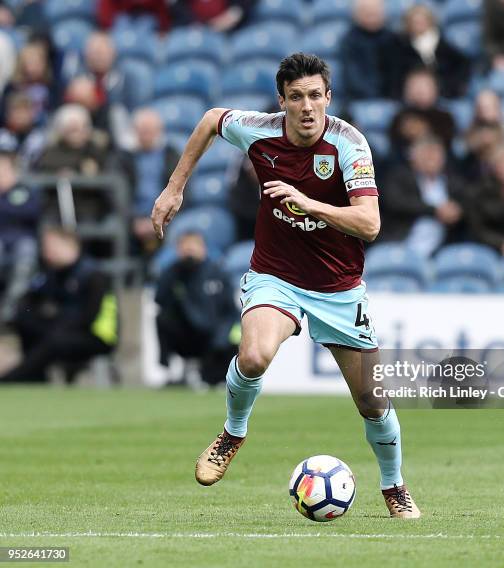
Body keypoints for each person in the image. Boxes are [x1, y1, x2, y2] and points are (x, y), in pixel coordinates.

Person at [151, 53, 420, 519]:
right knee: (253, 355)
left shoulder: (349, 145)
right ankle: (233, 433)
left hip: (339, 288)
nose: (307, 106)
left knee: (372, 401)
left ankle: (394, 487)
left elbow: (370, 224)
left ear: (328, 98)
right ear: (283, 101)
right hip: (276, 277)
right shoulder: (260, 130)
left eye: (316, 95)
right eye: (296, 97)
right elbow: (212, 119)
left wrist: (308, 203)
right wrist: (175, 188)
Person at [0, 227, 118, 383]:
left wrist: (57, 323)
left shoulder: (94, 275)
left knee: (55, 341)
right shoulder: (52, 273)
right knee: (25, 322)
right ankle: (36, 379)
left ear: (69, 246)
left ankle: (10, 380)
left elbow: (89, 317)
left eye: (51, 247)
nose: (46, 252)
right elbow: (29, 300)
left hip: (96, 336)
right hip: (62, 328)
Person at [155, 231, 238, 387]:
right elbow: (159, 299)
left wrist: (221, 338)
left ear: (203, 249)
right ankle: (169, 370)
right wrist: (175, 274)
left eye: (193, 246)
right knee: (162, 318)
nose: (189, 251)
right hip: (187, 333)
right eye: (185, 247)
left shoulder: (217, 274)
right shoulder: (173, 273)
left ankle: (220, 374)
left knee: (214, 379)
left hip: (214, 336)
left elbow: (231, 312)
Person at [381, 136, 465, 255]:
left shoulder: (453, 182)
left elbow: (468, 202)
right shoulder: (399, 177)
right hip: (402, 243)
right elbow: (395, 202)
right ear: (413, 157)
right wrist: (435, 210)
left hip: (443, 249)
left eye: (436, 153)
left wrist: (457, 210)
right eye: (427, 153)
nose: (432, 158)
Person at [120, 108, 179, 256]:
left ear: (160, 131)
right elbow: (117, 194)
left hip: (167, 218)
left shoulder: (171, 155)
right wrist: (133, 220)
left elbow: (183, 191)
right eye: (143, 130)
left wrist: (162, 219)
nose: (146, 135)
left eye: (150, 130)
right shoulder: (123, 158)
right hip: (132, 220)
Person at [386, 4, 469, 98]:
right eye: (415, 22)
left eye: (422, 21)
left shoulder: (442, 44)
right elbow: (395, 76)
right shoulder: (401, 47)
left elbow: (461, 64)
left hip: (444, 93)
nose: (419, 25)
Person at [0, 131, 39, 323]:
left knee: (26, 253)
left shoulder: (24, 190)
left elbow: (32, 212)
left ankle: (8, 314)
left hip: (22, 241)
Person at [341, 0, 394, 100]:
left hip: (390, 98)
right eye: (366, 11)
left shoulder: (393, 39)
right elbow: (353, 76)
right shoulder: (350, 40)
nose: (371, 14)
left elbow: (396, 74)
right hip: (359, 98)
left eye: (375, 11)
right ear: (356, 14)